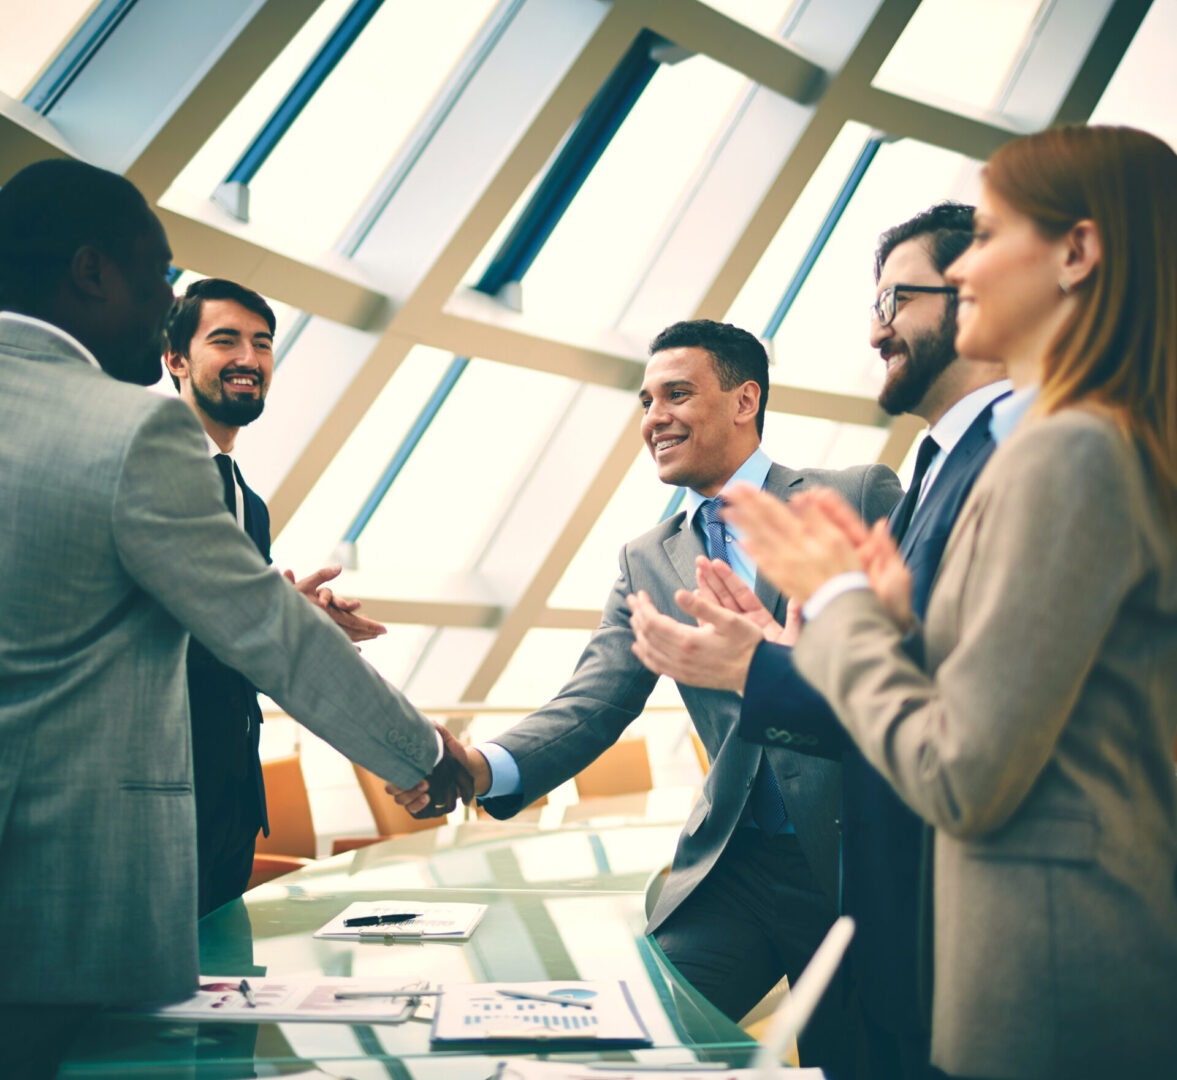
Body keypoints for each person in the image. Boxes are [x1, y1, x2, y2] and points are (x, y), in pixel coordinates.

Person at [718, 125, 1177, 1079]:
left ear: (1076, 253)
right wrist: (889, 622)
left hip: (1048, 983)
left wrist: (839, 601)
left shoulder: (1070, 451)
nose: (967, 268)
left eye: (992, 234)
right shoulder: (1097, 439)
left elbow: (962, 774)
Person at [0, 159, 470, 1079]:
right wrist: (428, 756)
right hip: (63, 896)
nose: (163, 300)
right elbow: (268, 635)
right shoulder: (133, 431)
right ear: (93, 272)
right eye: (158, 275)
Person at [394, 318, 901, 1075]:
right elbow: (595, 698)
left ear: (743, 400)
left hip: (857, 861)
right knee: (625, 1046)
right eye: (644, 401)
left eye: (676, 394)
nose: (653, 418)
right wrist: (479, 766)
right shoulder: (645, 557)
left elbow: (913, 657)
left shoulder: (854, 494)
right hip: (737, 869)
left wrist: (793, 660)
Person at [628, 203, 1009, 1080]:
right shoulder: (934, 464)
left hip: (879, 874)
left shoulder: (903, 480)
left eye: (896, 300)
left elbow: (947, 704)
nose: (875, 329)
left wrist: (775, 659)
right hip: (741, 871)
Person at [162, 276, 388, 916]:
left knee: (220, 996)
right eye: (225, 340)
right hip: (158, 797)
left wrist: (295, 619)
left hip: (230, 802)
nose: (248, 359)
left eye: (262, 344)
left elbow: (235, 637)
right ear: (176, 359)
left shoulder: (247, 503)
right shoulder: (147, 473)